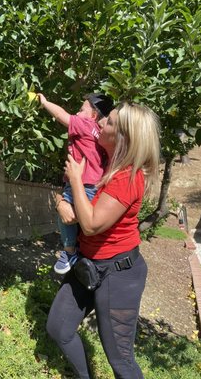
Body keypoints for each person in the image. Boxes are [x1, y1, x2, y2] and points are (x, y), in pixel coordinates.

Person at [46, 101, 161, 379]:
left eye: (108, 122)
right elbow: (72, 200)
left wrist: (74, 178)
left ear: (124, 136)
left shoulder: (127, 176)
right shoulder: (101, 160)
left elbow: (91, 223)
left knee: (120, 360)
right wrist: (62, 200)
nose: (99, 124)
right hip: (88, 263)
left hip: (118, 274)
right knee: (59, 329)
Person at [38, 92, 114, 274]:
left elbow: (60, 115)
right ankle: (79, 251)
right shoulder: (99, 133)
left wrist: (45, 102)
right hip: (93, 184)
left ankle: (69, 251)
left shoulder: (85, 124)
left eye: (81, 109)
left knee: (65, 217)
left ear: (93, 115)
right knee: (79, 219)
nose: (77, 113)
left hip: (80, 181)